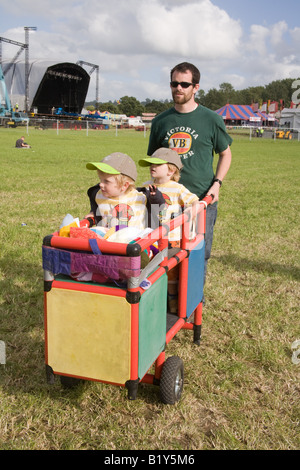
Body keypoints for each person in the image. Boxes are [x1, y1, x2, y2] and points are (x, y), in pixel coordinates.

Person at [147, 62, 232, 285]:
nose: (179, 88)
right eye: (174, 83)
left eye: (185, 84)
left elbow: (226, 154)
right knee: (161, 251)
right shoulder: (160, 121)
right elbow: (153, 160)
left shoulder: (211, 119)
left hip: (200, 200)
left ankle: (192, 306)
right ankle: (166, 303)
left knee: (198, 253)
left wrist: (217, 185)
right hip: (165, 201)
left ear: (196, 87)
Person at [139, 147, 199, 312]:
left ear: (171, 170)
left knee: (170, 272)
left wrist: (189, 212)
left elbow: (194, 201)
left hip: (171, 238)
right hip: (150, 236)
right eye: (151, 163)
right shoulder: (145, 186)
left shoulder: (177, 188)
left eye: (157, 164)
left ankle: (172, 302)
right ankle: (153, 302)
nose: (152, 166)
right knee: (149, 270)